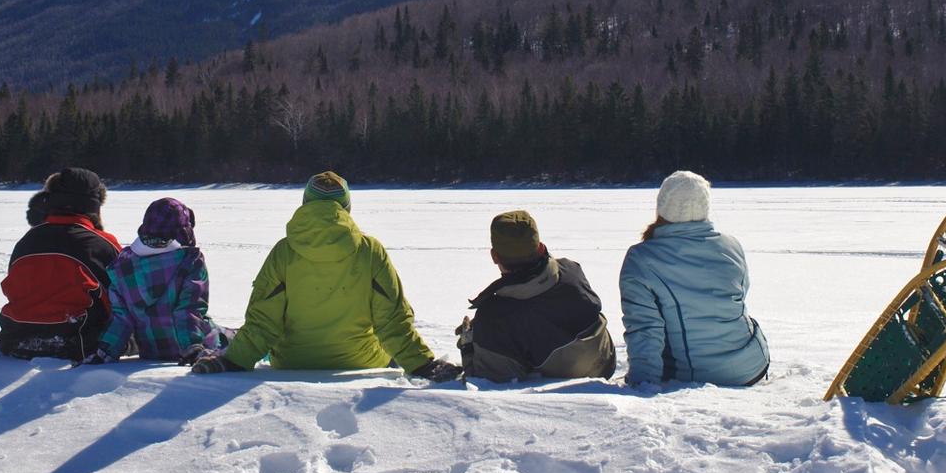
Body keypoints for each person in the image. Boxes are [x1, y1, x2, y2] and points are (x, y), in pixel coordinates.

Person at [192, 172, 460, 381]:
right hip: (362, 362)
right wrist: (423, 364)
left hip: (293, 363)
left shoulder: (284, 252)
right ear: (346, 207)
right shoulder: (370, 251)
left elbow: (263, 322)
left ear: (306, 203)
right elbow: (392, 321)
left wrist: (233, 360)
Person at [619, 170, 768, 386]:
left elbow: (644, 329)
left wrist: (642, 385)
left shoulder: (641, 258)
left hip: (695, 375)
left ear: (661, 206)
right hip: (752, 365)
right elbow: (738, 298)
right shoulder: (731, 246)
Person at [456, 210, 615, 381]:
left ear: (494, 256)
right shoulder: (571, 270)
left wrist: (469, 348)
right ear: (540, 247)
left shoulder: (495, 315)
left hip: (562, 387)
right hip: (605, 364)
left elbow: (493, 383)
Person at [0, 168, 123, 361]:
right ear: (94, 207)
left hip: (14, 340)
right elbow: (123, 298)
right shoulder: (102, 245)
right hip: (77, 343)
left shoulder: (26, 242)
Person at [89, 197, 234, 364]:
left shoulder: (121, 266)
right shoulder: (189, 261)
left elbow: (121, 318)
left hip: (152, 350)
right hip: (195, 345)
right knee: (237, 338)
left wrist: (104, 352)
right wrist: (192, 348)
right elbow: (189, 310)